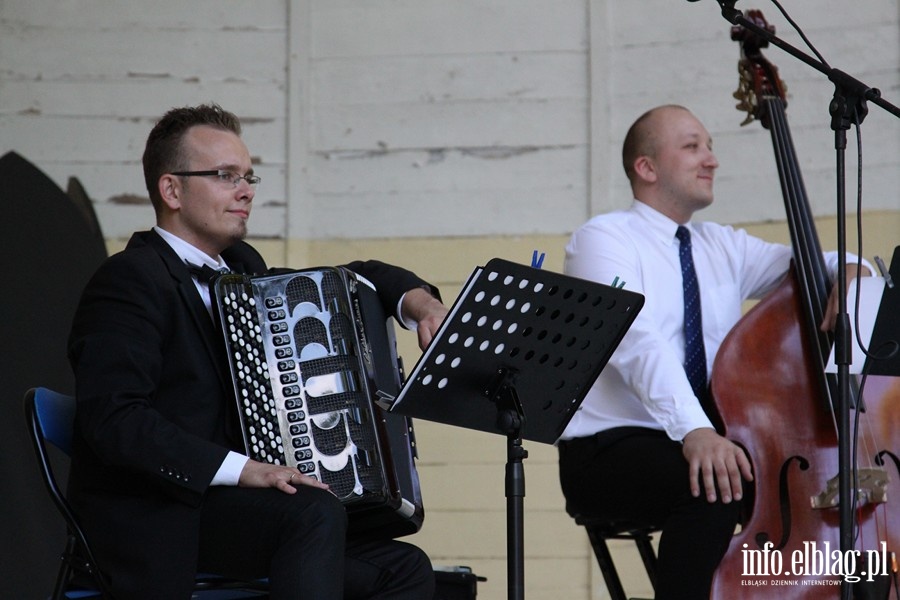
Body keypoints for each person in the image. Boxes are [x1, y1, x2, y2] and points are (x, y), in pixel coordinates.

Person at [66, 103, 449, 599]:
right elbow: (113, 420)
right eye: (226, 176)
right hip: (163, 514)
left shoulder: (242, 269)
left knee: (405, 567)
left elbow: (348, 276)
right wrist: (245, 469)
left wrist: (419, 305)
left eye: (249, 176)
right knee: (312, 512)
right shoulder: (128, 279)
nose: (246, 190)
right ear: (172, 190)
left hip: (237, 515)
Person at [556, 104, 869, 599]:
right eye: (692, 146)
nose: (711, 159)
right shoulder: (603, 239)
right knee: (714, 484)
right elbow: (635, 341)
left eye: (710, 147)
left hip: (703, 440)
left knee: (789, 483)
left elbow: (818, 262)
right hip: (610, 449)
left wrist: (852, 271)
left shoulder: (721, 245)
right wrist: (695, 430)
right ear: (647, 167)